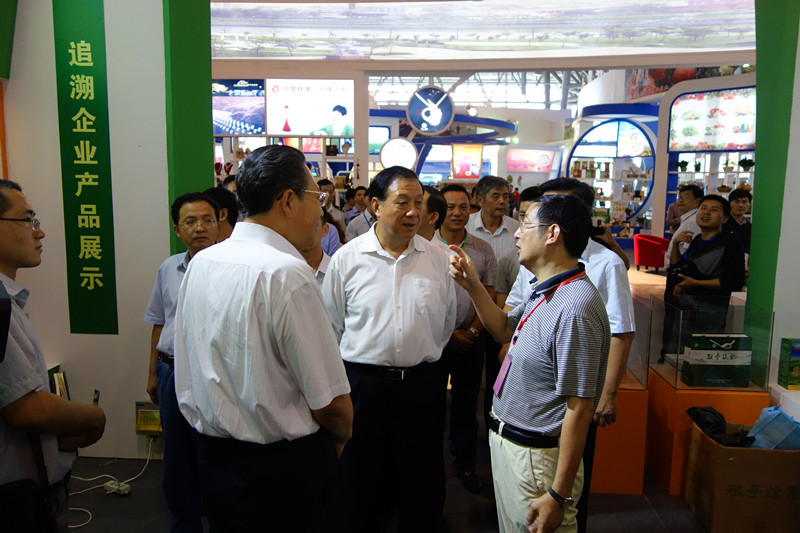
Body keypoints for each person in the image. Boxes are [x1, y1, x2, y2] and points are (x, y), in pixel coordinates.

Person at [174, 145, 353, 532]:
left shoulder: (203, 261)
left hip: (216, 459)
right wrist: (335, 444)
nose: (320, 211)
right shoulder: (287, 273)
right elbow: (331, 404)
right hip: (285, 470)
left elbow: (186, 369)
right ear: (288, 200)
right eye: (316, 197)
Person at [449, 193, 610, 533]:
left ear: (552, 233)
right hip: (515, 445)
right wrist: (473, 284)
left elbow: (580, 408)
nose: (517, 233)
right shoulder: (547, 289)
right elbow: (502, 328)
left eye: (525, 224)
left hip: (538, 459)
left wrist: (558, 494)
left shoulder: (575, 307)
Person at [322, 166, 457, 532]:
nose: (413, 212)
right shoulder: (347, 260)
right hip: (364, 387)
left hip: (422, 387)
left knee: (422, 481)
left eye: (419, 203)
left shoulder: (438, 259)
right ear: (376, 205)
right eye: (402, 203)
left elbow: (445, 324)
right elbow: (332, 326)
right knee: (362, 479)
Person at [504, 179, 635, 533]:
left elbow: (621, 331)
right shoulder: (540, 270)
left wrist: (608, 393)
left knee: (564, 495)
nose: (519, 232)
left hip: (556, 421)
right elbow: (512, 317)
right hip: (533, 411)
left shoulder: (596, 274)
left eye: (529, 222)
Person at [0, 180, 106, 532]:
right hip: (14, 501)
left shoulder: (10, 300)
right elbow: (23, 407)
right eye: (27, 220)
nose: (39, 232)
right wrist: (94, 416)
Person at [144, 192, 220, 532]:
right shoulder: (168, 268)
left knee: (213, 452)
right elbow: (159, 322)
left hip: (211, 374)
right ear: (177, 230)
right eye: (190, 222)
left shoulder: (231, 267)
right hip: (171, 370)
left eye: (207, 220)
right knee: (176, 457)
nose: (200, 228)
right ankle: (184, 524)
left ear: (219, 223)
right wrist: (152, 372)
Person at [437, 184, 497, 494]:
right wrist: (447, 335)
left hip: (472, 339)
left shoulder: (482, 249)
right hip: (436, 341)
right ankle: (431, 468)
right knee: (432, 407)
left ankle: (466, 465)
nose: (458, 213)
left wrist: (473, 331)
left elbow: (490, 293)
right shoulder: (426, 246)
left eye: (464, 207)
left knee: (466, 406)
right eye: (450, 207)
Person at [466, 175, 521, 437]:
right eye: (495, 196)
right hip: (474, 314)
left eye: (505, 196)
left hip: (508, 314)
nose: (502, 201)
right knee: (471, 378)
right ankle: (467, 429)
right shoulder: (466, 226)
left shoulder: (517, 229)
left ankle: (494, 425)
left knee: (501, 374)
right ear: (479, 199)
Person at [661, 195, 746, 361]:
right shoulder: (697, 240)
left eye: (714, 210)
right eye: (703, 208)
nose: (706, 212)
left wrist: (695, 283)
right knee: (687, 354)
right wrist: (676, 244)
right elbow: (678, 268)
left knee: (703, 356)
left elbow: (734, 281)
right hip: (689, 309)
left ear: (724, 218)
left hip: (711, 310)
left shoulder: (729, 242)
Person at [664, 184, 703, 268]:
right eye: (680, 197)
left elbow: (686, 253)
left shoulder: (692, 222)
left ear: (698, 200)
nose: (680, 201)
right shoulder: (688, 218)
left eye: (685, 197)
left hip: (680, 269)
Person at [722, 188, 752, 254]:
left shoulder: (749, 227)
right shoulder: (722, 224)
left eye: (744, 202)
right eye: (737, 202)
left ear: (749, 204)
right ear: (729, 203)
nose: (741, 205)